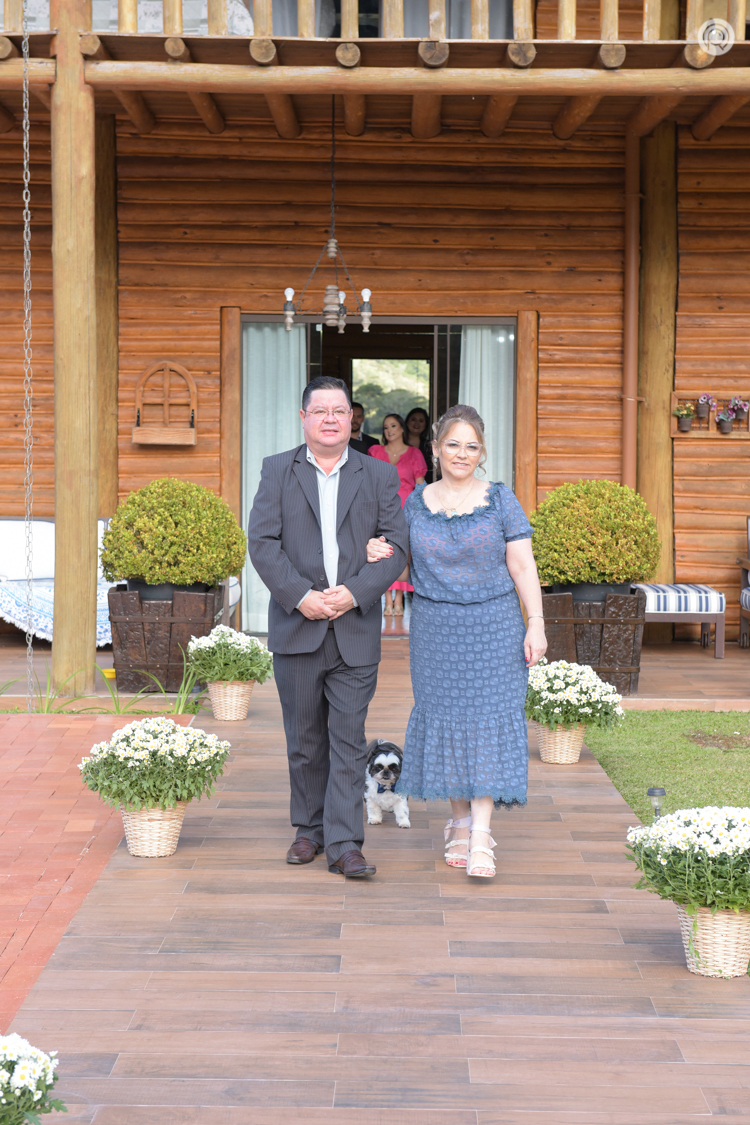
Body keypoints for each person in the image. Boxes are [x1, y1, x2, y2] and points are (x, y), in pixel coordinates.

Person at [366, 405, 547, 878]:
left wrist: (536, 623)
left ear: (481, 452)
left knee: (487, 723)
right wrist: (378, 549)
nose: (462, 453)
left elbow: (522, 565)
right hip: (436, 631)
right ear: (435, 449)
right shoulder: (415, 504)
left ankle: (481, 833)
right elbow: (402, 564)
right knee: (446, 723)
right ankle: (460, 821)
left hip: (494, 628)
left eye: (471, 446)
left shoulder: (500, 499)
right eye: (453, 444)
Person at [247, 376, 409, 878]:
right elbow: (262, 543)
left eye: (339, 411)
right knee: (304, 740)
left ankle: (344, 843)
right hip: (298, 626)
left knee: (348, 739)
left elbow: (397, 546)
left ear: (351, 418)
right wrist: (302, 597)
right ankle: (309, 829)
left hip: (354, 629)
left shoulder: (377, 474)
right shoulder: (278, 470)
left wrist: (355, 592)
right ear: (304, 418)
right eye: (320, 411)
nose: (331, 419)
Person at [368, 414, 427, 617]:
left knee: (404, 553)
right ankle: (387, 599)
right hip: (381, 508)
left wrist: (422, 513)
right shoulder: (375, 451)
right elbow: (368, 482)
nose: (389, 430)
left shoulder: (414, 453)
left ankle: (399, 598)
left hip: (406, 509)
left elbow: (420, 486)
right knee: (384, 550)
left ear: (402, 428)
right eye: (385, 427)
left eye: (393, 426)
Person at [405, 407, 433, 483]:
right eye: (413, 419)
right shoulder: (398, 443)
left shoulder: (429, 447)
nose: (417, 423)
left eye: (421, 421)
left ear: (425, 425)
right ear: (407, 422)